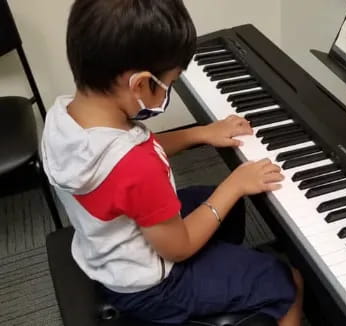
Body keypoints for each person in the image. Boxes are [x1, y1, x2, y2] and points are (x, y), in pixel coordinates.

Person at [40, 0, 304, 325]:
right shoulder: (136, 164)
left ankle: (226, 286)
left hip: (106, 251)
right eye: (171, 82)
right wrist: (234, 184)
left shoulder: (63, 117)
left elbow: (131, 159)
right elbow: (177, 247)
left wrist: (201, 134)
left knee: (229, 209)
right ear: (138, 83)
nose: (170, 89)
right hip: (153, 286)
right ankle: (236, 293)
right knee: (287, 281)